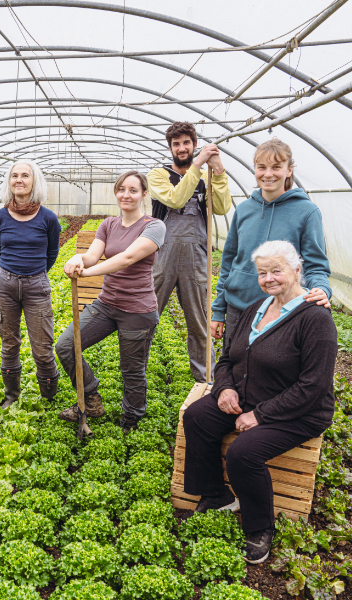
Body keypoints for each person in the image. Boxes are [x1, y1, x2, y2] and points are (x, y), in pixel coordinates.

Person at [182, 240, 336, 564]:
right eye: (262, 272)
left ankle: (259, 528)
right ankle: (216, 495)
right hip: (248, 395)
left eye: (276, 270)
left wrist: (260, 415)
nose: (269, 279)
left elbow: (313, 386)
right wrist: (224, 389)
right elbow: (226, 359)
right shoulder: (258, 307)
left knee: (244, 452)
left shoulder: (316, 319)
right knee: (197, 416)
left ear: (297, 270)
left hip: (299, 411)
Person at [55, 171, 166, 436]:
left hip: (138, 310)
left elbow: (128, 258)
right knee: (66, 345)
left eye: (133, 190)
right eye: (122, 189)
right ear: (116, 193)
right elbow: (93, 255)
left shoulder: (154, 226)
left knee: (132, 369)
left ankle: (133, 415)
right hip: (106, 304)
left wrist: (87, 273)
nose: (126, 195)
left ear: (143, 194)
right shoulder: (108, 224)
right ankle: (91, 400)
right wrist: (79, 260)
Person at [210, 139, 331, 348]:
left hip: (283, 309)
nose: (268, 174)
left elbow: (316, 265)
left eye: (276, 167)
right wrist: (219, 310)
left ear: (289, 170)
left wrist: (321, 289)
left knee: (272, 371)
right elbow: (228, 264)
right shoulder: (244, 210)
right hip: (238, 308)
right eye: (262, 167)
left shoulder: (307, 212)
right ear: (255, 170)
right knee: (232, 367)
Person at [148, 122, 232, 383]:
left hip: (196, 256)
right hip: (162, 255)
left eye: (186, 143)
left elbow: (220, 208)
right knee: (146, 315)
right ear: (170, 147)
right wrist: (198, 168)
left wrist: (217, 171)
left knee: (198, 321)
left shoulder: (207, 177)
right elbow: (174, 199)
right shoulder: (157, 175)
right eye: (176, 144)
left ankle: (207, 378)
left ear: (195, 145)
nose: (182, 148)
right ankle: (135, 371)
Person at [0, 160, 60, 408]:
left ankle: (49, 397)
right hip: (5, 286)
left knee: (42, 348)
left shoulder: (49, 218)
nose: (19, 180)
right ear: (9, 182)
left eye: (25, 176)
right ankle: (11, 396)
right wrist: (11, 274)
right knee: (9, 345)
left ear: (34, 181)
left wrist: (33, 275)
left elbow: (52, 254)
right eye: (14, 176)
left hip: (36, 287)